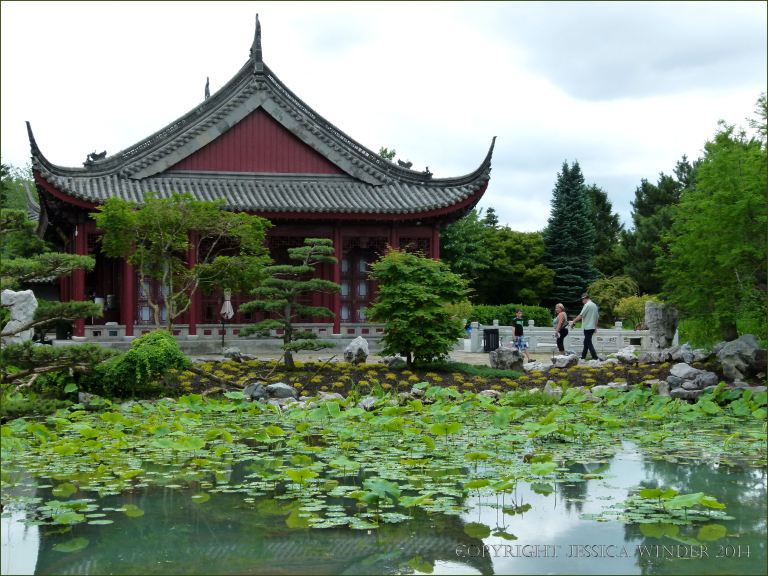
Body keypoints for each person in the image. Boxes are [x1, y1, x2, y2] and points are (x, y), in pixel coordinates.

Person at [570, 292, 599, 360]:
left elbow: (581, 315)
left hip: (587, 327)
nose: (582, 302)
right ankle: (583, 356)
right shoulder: (594, 305)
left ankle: (595, 357)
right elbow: (597, 317)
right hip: (592, 327)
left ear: (585, 298)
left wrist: (573, 321)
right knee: (586, 342)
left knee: (588, 342)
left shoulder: (587, 305)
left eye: (582, 300)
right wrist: (595, 327)